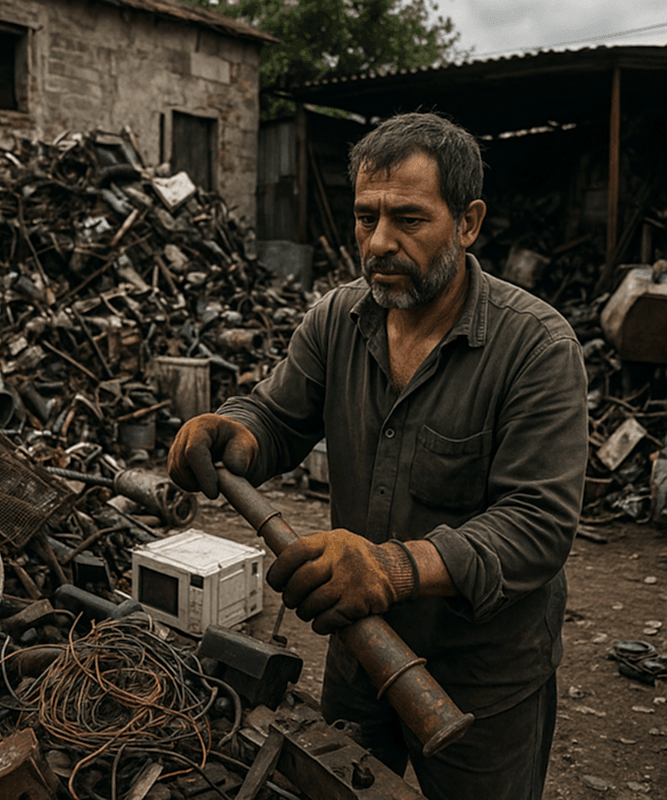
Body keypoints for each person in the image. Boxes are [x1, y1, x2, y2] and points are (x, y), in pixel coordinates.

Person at [168, 111, 588, 800]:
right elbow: (275, 415)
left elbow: (537, 524)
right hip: (358, 653)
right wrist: (231, 431)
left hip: (483, 678)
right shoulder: (338, 318)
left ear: (469, 221)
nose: (379, 243)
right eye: (366, 217)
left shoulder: (537, 348)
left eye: (410, 220)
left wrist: (392, 566)